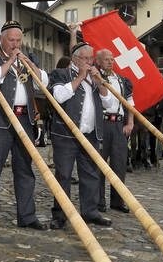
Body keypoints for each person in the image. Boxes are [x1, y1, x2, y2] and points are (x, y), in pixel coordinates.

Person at [0, 21, 49, 236]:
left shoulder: (28, 58)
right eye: (11, 41)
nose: (15, 44)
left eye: (18, 41)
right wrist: (10, 60)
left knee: (25, 170)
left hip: (24, 119)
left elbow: (42, 83)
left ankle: (27, 216)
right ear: (1, 40)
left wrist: (28, 63)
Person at [48, 42, 118, 228]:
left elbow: (110, 104)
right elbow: (58, 97)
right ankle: (60, 214)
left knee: (91, 175)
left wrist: (99, 84)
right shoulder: (61, 74)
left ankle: (90, 212)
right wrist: (80, 77)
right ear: (75, 59)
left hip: (91, 135)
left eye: (91, 59)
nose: (89, 62)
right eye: (86, 59)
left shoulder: (97, 77)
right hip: (65, 135)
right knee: (63, 175)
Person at [95, 48, 134, 213]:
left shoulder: (122, 80)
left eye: (112, 59)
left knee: (119, 165)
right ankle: (98, 201)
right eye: (106, 59)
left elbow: (130, 102)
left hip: (118, 124)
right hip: (102, 123)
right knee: (100, 165)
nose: (110, 62)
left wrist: (130, 122)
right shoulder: (95, 78)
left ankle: (118, 201)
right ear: (98, 61)